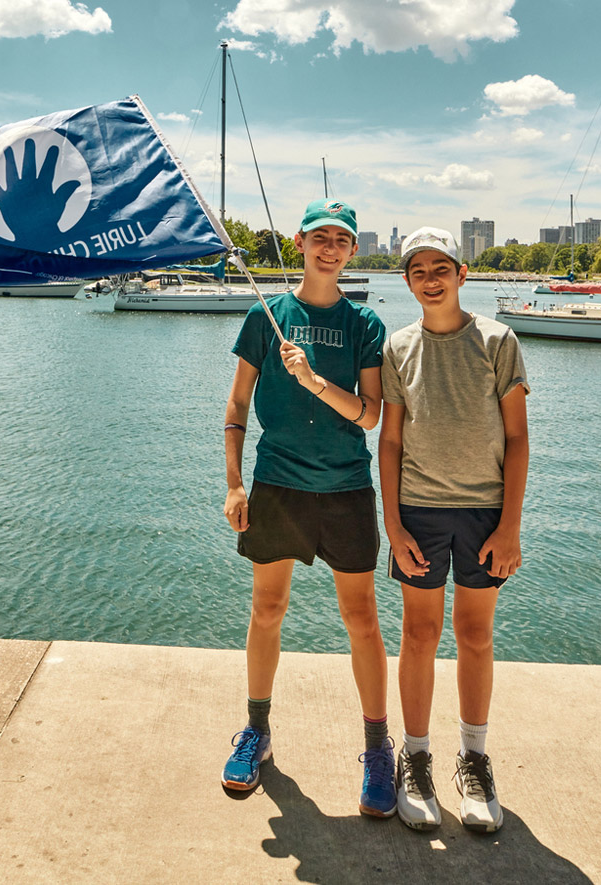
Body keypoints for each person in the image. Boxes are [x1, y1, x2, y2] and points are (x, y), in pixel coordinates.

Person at [221, 198, 396, 818]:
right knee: (267, 607)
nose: (330, 248)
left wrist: (315, 381)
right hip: (278, 486)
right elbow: (237, 409)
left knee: (362, 620)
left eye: (341, 240)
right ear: (299, 242)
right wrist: (235, 484)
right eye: (320, 237)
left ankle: (379, 747)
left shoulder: (364, 325)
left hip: (346, 488)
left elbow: (371, 416)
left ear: (352, 251)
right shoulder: (265, 315)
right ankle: (256, 730)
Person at [379, 227, 529, 833]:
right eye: (419, 270)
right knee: (418, 634)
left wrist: (510, 527)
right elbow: (389, 440)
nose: (431, 278)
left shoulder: (497, 340)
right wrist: (393, 524)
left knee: (474, 634)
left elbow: (516, 437)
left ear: (462, 275)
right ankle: (414, 758)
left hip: (484, 513)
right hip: (417, 511)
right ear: (407, 281)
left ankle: (475, 758)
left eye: (442, 267)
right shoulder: (397, 348)